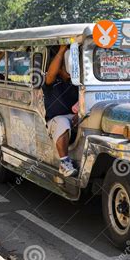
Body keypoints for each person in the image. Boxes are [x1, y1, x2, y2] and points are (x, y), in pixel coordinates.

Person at [43, 45, 79, 177]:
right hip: (56, 120)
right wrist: (62, 49)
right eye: (66, 65)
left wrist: (79, 115)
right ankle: (64, 163)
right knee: (63, 122)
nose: (70, 70)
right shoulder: (51, 82)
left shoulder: (76, 82)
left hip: (76, 118)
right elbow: (51, 73)